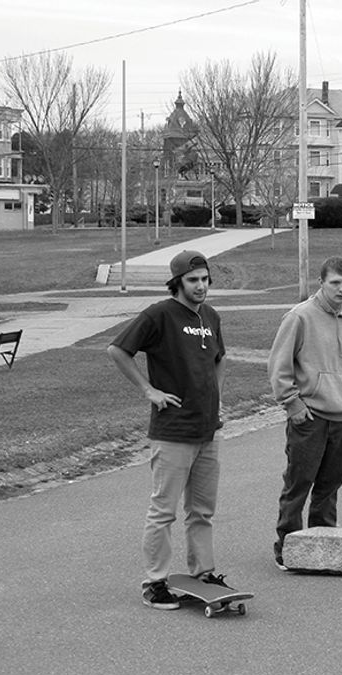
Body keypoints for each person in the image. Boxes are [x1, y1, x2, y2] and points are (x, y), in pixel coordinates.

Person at [107, 250, 230, 609]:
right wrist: (149, 390)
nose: (201, 286)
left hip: (209, 430)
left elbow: (220, 360)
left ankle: (203, 572)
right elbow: (118, 350)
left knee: (202, 510)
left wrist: (217, 399)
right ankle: (155, 583)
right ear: (178, 283)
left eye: (205, 279)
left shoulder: (211, 316)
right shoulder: (159, 315)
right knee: (164, 511)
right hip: (173, 431)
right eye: (193, 280)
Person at [268, 256, 342, 570]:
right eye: (335, 283)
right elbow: (279, 366)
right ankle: (289, 546)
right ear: (321, 283)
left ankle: (321, 545)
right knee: (299, 483)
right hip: (309, 416)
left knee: (330, 485)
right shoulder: (300, 317)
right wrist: (292, 403)